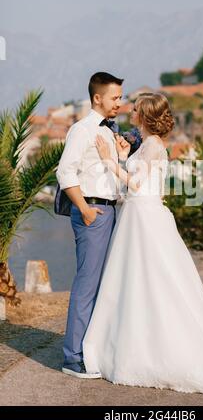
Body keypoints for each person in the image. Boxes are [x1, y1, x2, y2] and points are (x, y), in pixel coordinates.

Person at [82, 93, 203, 396]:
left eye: (135, 110)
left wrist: (110, 161)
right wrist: (123, 158)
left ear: (146, 117)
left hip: (143, 217)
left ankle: (146, 352)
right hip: (142, 215)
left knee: (148, 283)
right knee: (142, 283)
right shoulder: (149, 145)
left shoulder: (151, 146)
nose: (131, 113)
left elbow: (135, 185)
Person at [56, 72, 130, 378]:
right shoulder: (82, 130)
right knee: (87, 286)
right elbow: (65, 172)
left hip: (110, 211)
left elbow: (110, 175)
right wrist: (85, 209)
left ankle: (91, 349)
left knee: (104, 285)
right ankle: (72, 358)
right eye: (115, 97)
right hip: (93, 213)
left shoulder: (111, 131)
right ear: (97, 97)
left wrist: (122, 156)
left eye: (120, 98)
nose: (119, 103)